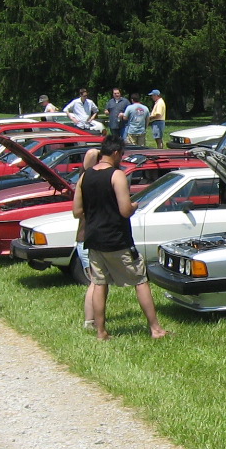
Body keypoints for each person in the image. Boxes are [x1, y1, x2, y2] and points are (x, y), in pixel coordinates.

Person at [73, 136, 167, 341]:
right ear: (116, 153)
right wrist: (134, 205)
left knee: (99, 283)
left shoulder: (85, 176)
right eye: (122, 154)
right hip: (116, 238)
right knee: (140, 280)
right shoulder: (117, 175)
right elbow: (125, 210)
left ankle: (101, 332)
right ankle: (156, 329)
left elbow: (77, 211)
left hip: (93, 238)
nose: (122, 158)